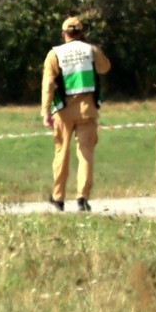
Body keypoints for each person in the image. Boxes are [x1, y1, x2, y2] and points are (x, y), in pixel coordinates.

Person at [41, 16, 112, 212]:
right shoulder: (91, 50)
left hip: (63, 112)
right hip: (88, 110)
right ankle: (82, 198)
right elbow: (105, 67)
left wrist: (45, 110)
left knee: (61, 153)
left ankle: (59, 198)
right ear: (81, 33)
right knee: (86, 154)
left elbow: (48, 84)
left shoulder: (54, 54)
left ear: (64, 34)